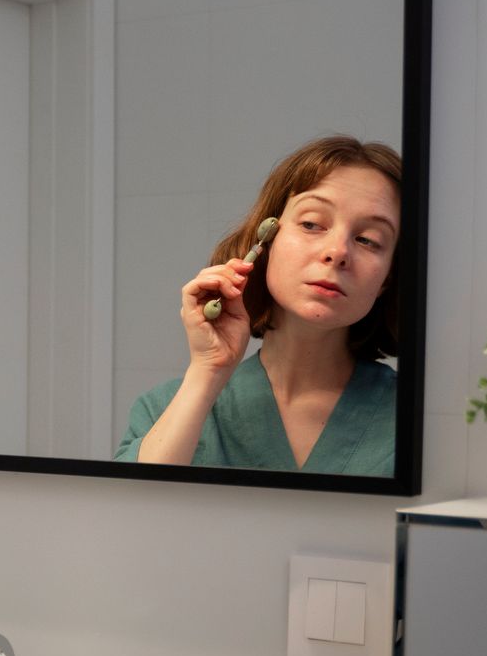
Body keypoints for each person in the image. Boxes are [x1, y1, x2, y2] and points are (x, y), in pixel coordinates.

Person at [115, 136, 403, 475]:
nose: (337, 251)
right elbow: (133, 505)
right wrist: (207, 372)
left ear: (387, 278)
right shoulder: (163, 409)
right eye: (311, 224)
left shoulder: (418, 420)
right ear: (267, 240)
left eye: (368, 240)